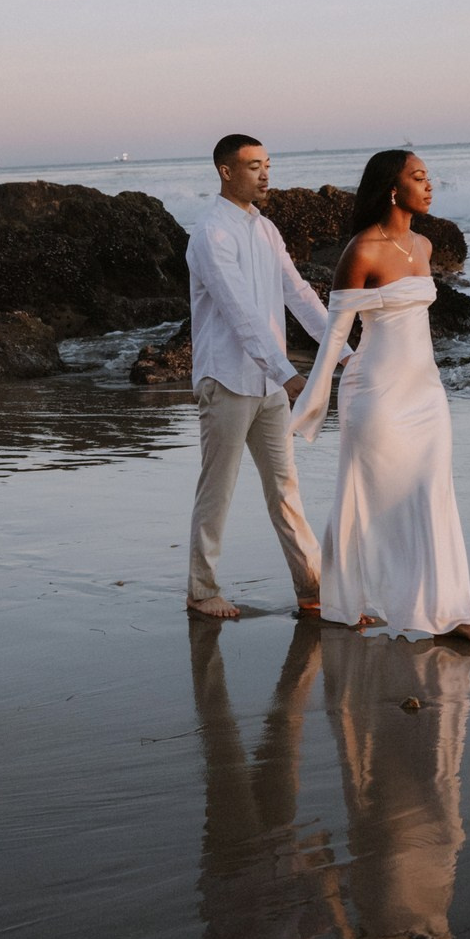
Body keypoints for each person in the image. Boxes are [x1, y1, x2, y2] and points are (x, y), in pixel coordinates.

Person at [290, 150, 470, 647]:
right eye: (419, 177)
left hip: (426, 393)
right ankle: (351, 598)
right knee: (366, 497)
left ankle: (450, 612)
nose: (430, 185)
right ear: (392, 188)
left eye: (429, 177)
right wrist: (316, 395)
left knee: (432, 494)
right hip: (376, 394)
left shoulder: (423, 244)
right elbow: (336, 334)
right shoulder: (362, 250)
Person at [186, 133, 328, 621]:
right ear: (226, 172)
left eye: (267, 164)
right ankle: (202, 591)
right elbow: (239, 312)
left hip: (268, 385)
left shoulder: (265, 229)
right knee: (218, 488)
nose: (265, 175)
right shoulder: (210, 233)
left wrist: (342, 352)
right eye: (253, 166)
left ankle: (313, 589)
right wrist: (288, 373)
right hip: (226, 380)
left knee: (286, 489)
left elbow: (300, 292)